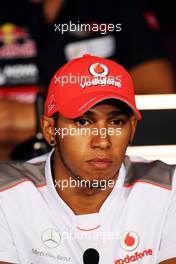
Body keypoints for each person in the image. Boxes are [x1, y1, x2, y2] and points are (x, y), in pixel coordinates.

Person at [0, 54, 176, 264]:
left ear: (132, 129)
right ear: (50, 130)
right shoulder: (6, 195)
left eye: (116, 122)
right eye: (83, 122)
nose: (102, 141)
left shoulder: (169, 186)